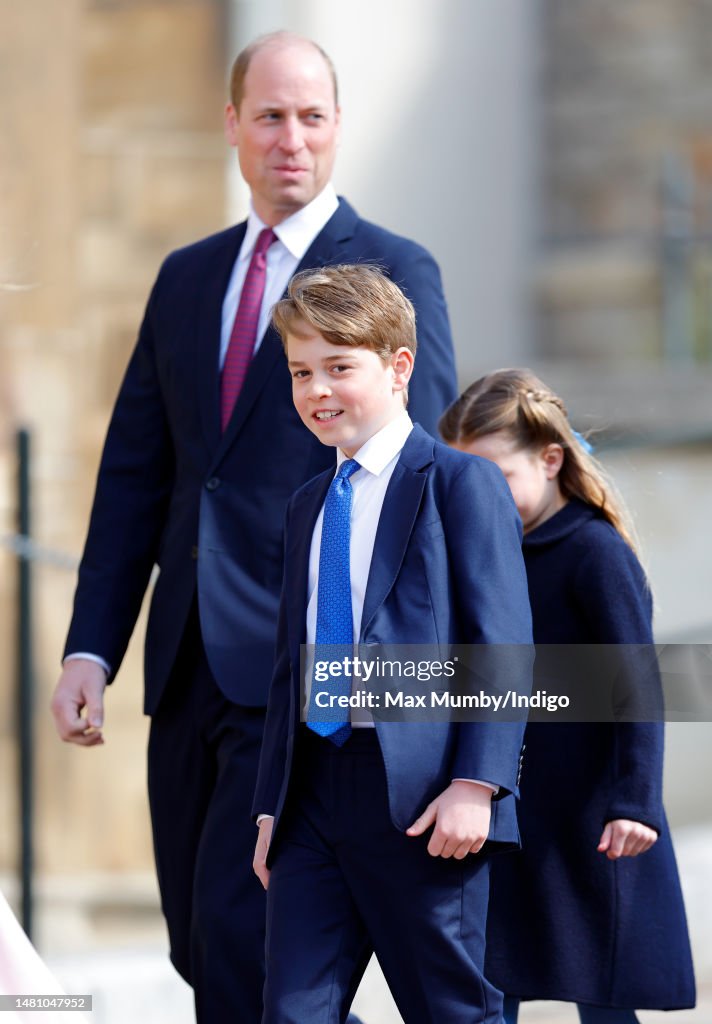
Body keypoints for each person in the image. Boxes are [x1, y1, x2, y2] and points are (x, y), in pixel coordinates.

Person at [49, 31, 456, 1024]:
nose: (290, 138)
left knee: (244, 936)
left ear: (336, 129)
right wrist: (94, 645)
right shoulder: (187, 278)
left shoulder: (395, 267)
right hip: (187, 660)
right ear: (231, 125)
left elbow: (422, 482)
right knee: (201, 943)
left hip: (302, 664)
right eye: (269, 115)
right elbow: (136, 474)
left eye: (311, 116)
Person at [252, 265, 532, 1024]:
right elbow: (293, 663)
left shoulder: (457, 483)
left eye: (339, 367)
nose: (317, 390)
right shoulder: (309, 504)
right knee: (292, 1012)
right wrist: (271, 808)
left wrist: (478, 784)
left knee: (452, 1011)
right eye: (301, 372)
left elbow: (499, 641)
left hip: (423, 799)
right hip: (312, 799)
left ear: (399, 366)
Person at [440, 369, 696, 1024]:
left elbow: (635, 682)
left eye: (498, 477)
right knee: (495, 982)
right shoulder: (485, 555)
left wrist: (635, 801)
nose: (482, 499)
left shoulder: (594, 553)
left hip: (593, 818)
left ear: (550, 459)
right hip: (517, 812)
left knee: (600, 995)